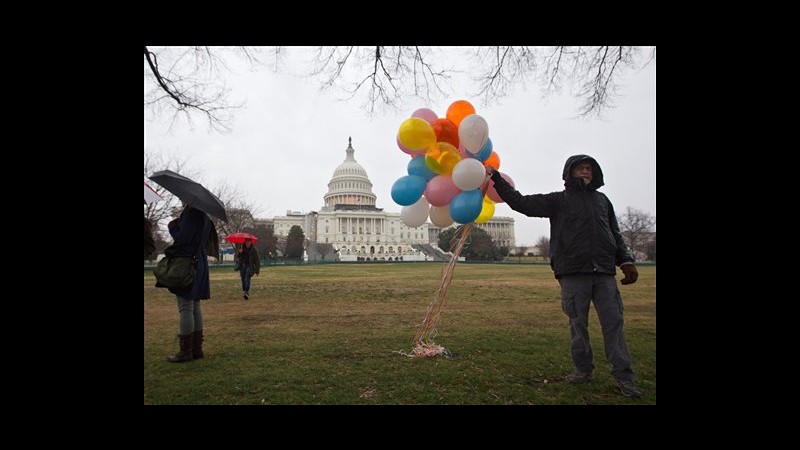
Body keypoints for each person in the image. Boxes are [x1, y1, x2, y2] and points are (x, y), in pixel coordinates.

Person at [487, 155, 642, 397]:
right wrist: (496, 179)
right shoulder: (558, 201)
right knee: (578, 325)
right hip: (572, 272)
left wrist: (626, 261)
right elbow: (521, 203)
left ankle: (623, 377)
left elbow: (614, 233)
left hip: (603, 272)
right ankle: (583, 371)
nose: (585, 172)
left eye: (589, 169)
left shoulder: (603, 201)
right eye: (580, 168)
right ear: (569, 172)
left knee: (614, 325)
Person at [155, 205, 214, 363]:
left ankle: (185, 351)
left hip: (188, 262)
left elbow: (183, 239)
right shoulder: (205, 215)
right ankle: (196, 349)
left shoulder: (191, 212)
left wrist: (172, 227)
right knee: (194, 306)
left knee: (186, 306)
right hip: (199, 261)